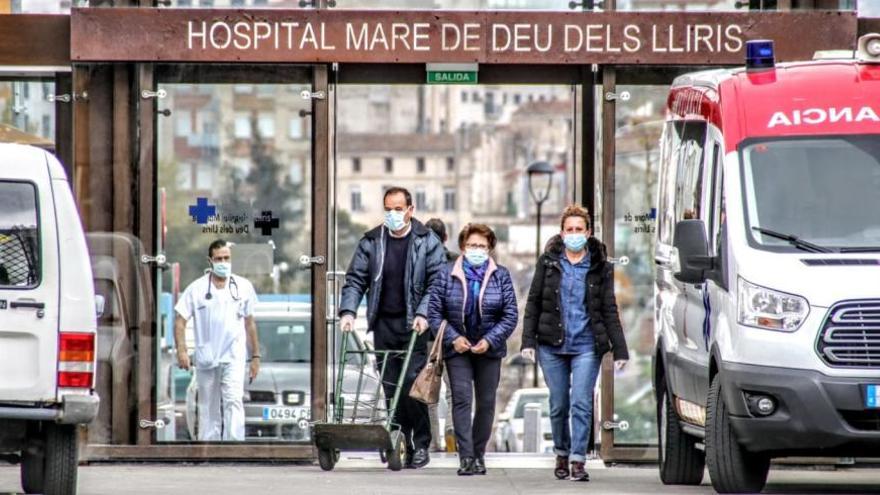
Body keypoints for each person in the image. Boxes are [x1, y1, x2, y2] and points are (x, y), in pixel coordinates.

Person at [338, 186, 445, 469]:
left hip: (414, 326)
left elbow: (436, 283)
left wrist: (424, 313)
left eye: (399, 209)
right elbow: (355, 279)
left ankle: (420, 444)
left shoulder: (427, 241)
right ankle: (399, 439)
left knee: (412, 385)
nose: (393, 214)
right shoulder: (372, 241)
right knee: (390, 387)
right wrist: (348, 311)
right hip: (384, 323)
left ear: (410, 210)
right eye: (389, 209)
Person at [521, 204, 629, 482]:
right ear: (561, 232)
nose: (574, 234)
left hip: (586, 346)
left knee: (581, 403)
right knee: (559, 404)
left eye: (579, 229)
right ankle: (561, 452)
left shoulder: (599, 266)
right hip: (551, 345)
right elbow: (533, 302)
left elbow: (609, 307)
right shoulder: (547, 263)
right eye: (569, 229)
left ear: (588, 232)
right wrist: (528, 341)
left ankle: (578, 460)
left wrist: (620, 348)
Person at [428, 223, 518, 476]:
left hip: (489, 349)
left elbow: (510, 315)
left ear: (489, 247)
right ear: (462, 247)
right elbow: (434, 313)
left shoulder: (501, 275)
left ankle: (479, 454)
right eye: (471, 245)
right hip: (458, 348)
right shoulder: (445, 273)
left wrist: (490, 340)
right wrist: (453, 338)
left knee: (487, 402)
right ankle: (465, 456)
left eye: (481, 245)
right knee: (462, 399)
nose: (476, 250)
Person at [174, 239, 260, 441]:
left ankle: (234, 444)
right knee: (208, 404)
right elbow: (180, 321)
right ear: (210, 261)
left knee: (233, 400)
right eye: (219, 259)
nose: (223, 262)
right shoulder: (196, 289)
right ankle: (209, 445)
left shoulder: (243, 286)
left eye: (227, 258)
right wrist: (182, 350)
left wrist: (255, 356)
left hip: (234, 354)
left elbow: (250, 324)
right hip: (207, 355)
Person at [424, 217, 457, 452]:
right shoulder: (457, 262)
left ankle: (433, 441)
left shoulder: (419, 263)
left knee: (429, 390)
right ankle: (452, 433)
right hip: (454, 334)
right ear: (446, 238)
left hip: (427, 335)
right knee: (455, 389)